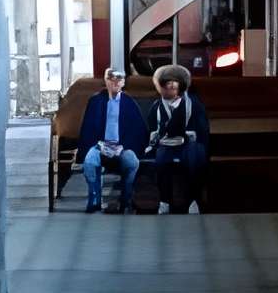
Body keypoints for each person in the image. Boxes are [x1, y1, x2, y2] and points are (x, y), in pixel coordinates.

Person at [76, 66, 142, 213]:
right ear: (105, 81)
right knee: (90, 161)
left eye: (119, 79)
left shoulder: (129, 103)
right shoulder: (95, 101)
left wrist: (124, 146)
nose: (115, 83)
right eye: (111, 79)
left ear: (123, 82)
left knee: (132, 162)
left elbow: (138, 130)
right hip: (99, 145)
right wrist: (98, 145)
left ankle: (126, 198)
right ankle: (95, 199)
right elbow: (87, 128)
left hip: (122, 147)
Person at [146, 63, 210, 213]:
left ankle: (193, 200)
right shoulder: (157, 106)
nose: (171, 86)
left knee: (194, 157)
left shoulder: (193, 104)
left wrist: (190, 136)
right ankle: (164, 200)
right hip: (166, 144)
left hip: (189, 145)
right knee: (161, 159)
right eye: (167, 83)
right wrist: (155, 138)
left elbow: (202, 129)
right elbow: (152, 128)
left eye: (175, 83)